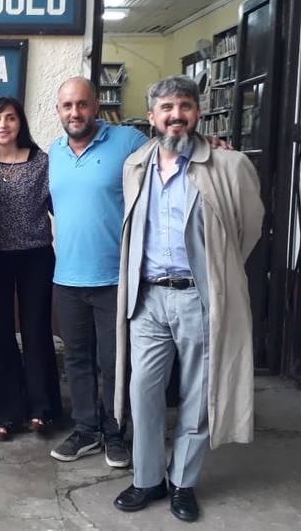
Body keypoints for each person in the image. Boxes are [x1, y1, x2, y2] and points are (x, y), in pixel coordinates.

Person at [112, 76, 263, 523]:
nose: (175, 115)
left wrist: (215, 269)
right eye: (166, 108)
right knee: (143, 391)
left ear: (197, 111)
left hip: (197, 296)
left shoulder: (228, 165)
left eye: (184, 106)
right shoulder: (136, 163)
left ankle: (183, 482)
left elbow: (247, 229)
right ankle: (147, 479)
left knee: (198, 394)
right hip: (147, 298)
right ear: (152, 115)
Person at [47, 76, 146, 469]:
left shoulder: (129, 143)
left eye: (83, 104)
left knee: (114, 361)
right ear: (58, 110)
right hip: (67, 278)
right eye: (68, 105)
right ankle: (86, 430)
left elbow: (173, 158)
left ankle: (116, 432)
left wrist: (211, 147)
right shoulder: (53, 152)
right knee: (77, 359)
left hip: (115, 280)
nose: (75, 112)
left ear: (96, 106)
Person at [0, 97, 61, 441]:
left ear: (20, 123)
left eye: (10, 118)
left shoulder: (43, 163)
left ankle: (42, 408)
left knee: (36, 330)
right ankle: (5, 410)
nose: (3, 125)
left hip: (36, 256)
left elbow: (63, 205)